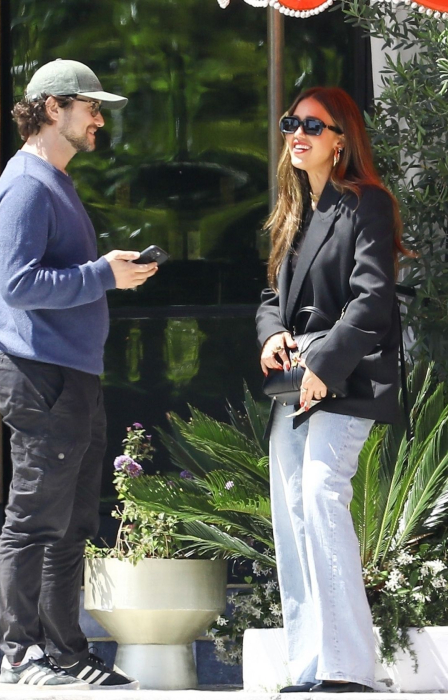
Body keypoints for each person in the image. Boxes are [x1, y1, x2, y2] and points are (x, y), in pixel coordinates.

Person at [0, 59, 158, 690]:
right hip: (41, 376)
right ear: (54, 107)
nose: (99, 119)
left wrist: (110, 273)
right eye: (91, 107)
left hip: (71, 375)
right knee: (35, 518)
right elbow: (16, 284)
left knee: (73, 522)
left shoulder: (56, 181)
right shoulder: (28, 184)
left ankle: (65, 652)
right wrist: (101, 275)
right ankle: (20, 655)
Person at [256, 86, 409, 693]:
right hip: (296, 382)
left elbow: (373, 300)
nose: (297, 133)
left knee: (320, 500)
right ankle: (311, 666)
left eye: (313, 126)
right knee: (292, 518)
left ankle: (350, 669)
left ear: (340, 139)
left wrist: (323, 361)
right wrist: (271, 336)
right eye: (291, 122)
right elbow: (271, 295)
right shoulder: (294, 209)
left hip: (345, 377)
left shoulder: (366, 203)